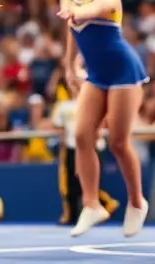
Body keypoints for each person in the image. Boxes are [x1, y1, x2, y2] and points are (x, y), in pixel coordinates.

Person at [57, 0, 149, 238]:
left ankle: (137, 203)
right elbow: (72, 30)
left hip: (124, 71)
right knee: (82, 135)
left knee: (118, 143)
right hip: (95, 75)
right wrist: (70, 66)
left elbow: (93, 11)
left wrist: (79, 12)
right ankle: (91, 204)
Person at [52, 87, 120, 225]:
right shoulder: (64, 105)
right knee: (70, 183)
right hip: (72, 147)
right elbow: (59, 127)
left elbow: (104, 123)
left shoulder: (95, 102)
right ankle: (72, 215)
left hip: (91, 147)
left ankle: (105, 204)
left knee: (88, 182)